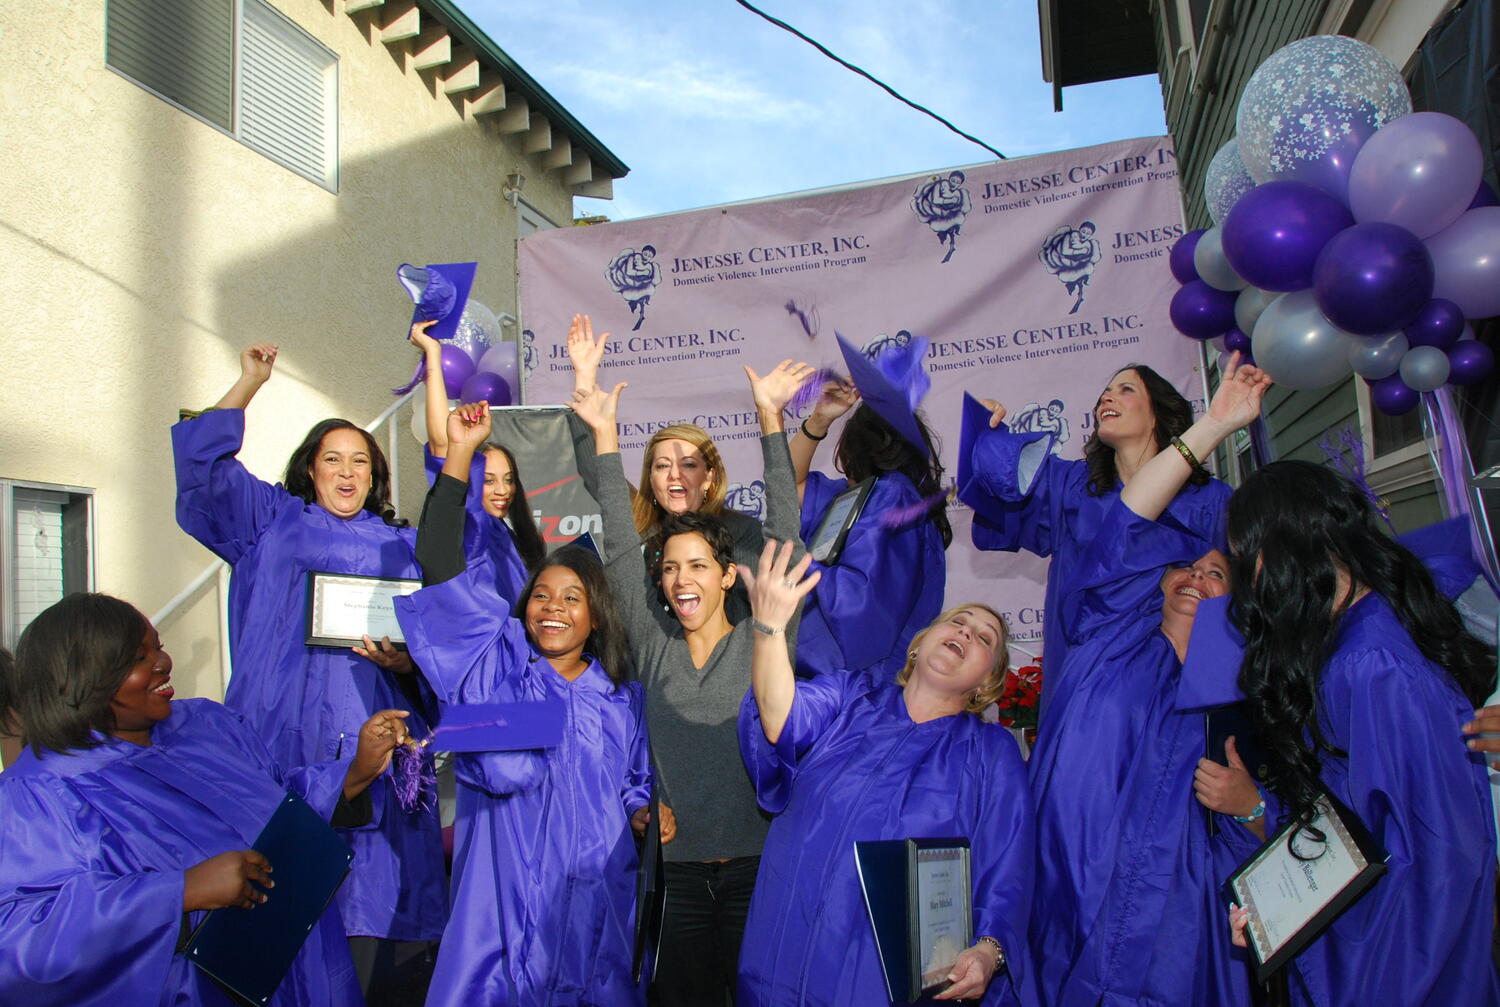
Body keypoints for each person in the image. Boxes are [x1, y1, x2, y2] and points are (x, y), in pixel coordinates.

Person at [172, 343, 446, 963]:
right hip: (277, 736)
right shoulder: (269, 521)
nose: (347, 473)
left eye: (361, 463)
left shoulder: (404, 548)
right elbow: (204, 471)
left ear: (376, 476)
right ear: (311, 469)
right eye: (332, 460)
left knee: (370, 922)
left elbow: (443, 647)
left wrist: (407, 668)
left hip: (372, 745)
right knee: (272, 916)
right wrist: (249, 383)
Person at [0, 593, 407, 1007]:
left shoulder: (204, 725)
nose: (163, 662)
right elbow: (20, 941)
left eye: (157, 645)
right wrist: (179, 892)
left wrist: (356, 770)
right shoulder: (40, 794)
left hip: (308, 964)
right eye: (138, 658)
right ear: (83, 680)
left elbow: (278, 803)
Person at [395, 401, 662, 1006]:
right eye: (541, 595)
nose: (552, 608)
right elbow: (438, 569)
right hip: (501, 920)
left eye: (572, 598)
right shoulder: (497, 666)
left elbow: (634, 786)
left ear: (596, 617)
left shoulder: (622, 701)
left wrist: (646, 813)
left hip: (596, 921)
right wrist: (460, 454)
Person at [1025, 353, 1269, 1007]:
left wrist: (1251, 811)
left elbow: (1267, 812)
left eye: (1126, 388)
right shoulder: (1103, 620)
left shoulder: (1225, 691)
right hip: (1092, 756)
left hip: (1177, 893)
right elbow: (1124, 533)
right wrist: (1215, 426)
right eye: (1102, 390)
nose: (1195, 576)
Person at [567, 353, 808, 1007]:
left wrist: (770, 417)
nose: (681, 578)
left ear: (729, 575)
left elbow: (784, 533)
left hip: (759, 869)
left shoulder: (766, 638)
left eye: (699, 564)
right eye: (670, 567)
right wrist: (605, 433)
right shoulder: (649, 639)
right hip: (672, 875)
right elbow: (620, 538)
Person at [1223, 460, 1499, 1005]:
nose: (1249, 578)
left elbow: (1435, 855)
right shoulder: (1358, 637)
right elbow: (1361, 811)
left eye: (1247, 555)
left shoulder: (1371, 666)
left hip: (1401, 963)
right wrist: (1280, 907)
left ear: (1288, 546)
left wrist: (1310, 933)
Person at [737, 541, 1033, 1006]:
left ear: (986, 683)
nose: (966, 632)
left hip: (880, 979)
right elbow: (778, 717)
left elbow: (1008, 866)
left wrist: (989, 950)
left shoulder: (990, 754)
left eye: (985, 639)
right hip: (783, 951)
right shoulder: (849, 699)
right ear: (918, 646)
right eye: (958, 621)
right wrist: (770, 627)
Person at [958, 363, 1231, 717]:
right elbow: (1000, 480)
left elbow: (1230, 602)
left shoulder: (1211, 501)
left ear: (1158, 415)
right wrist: (989, 428)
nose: (1107, 396)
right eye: (1106, 391)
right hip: (1083, 673)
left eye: (1126, 389)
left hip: (1175, 684)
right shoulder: (1071, 486)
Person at [567, 315, 766, 587]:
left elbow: (746, 614)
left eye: (688, 465)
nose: (675, 475)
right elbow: (596, 471)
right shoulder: (640, 524)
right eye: (662, 466)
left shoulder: (741, 532)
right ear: (650, 478)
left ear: (709, 476)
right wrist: (585, 379)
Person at [790, 373, 948, 680]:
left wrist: (796, 565)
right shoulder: (856, 499)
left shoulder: (893, 498)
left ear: (854, 446)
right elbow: (787, 484)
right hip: (857, 680)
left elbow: (858, 604)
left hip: (865, 688)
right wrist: (819, 420)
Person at [410, 319, 546, 605]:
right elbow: (441, 443)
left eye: (508, 479)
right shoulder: (470, 529)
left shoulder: (512, 538)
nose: (502, 490)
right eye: (488, 480)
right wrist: (433, 356)